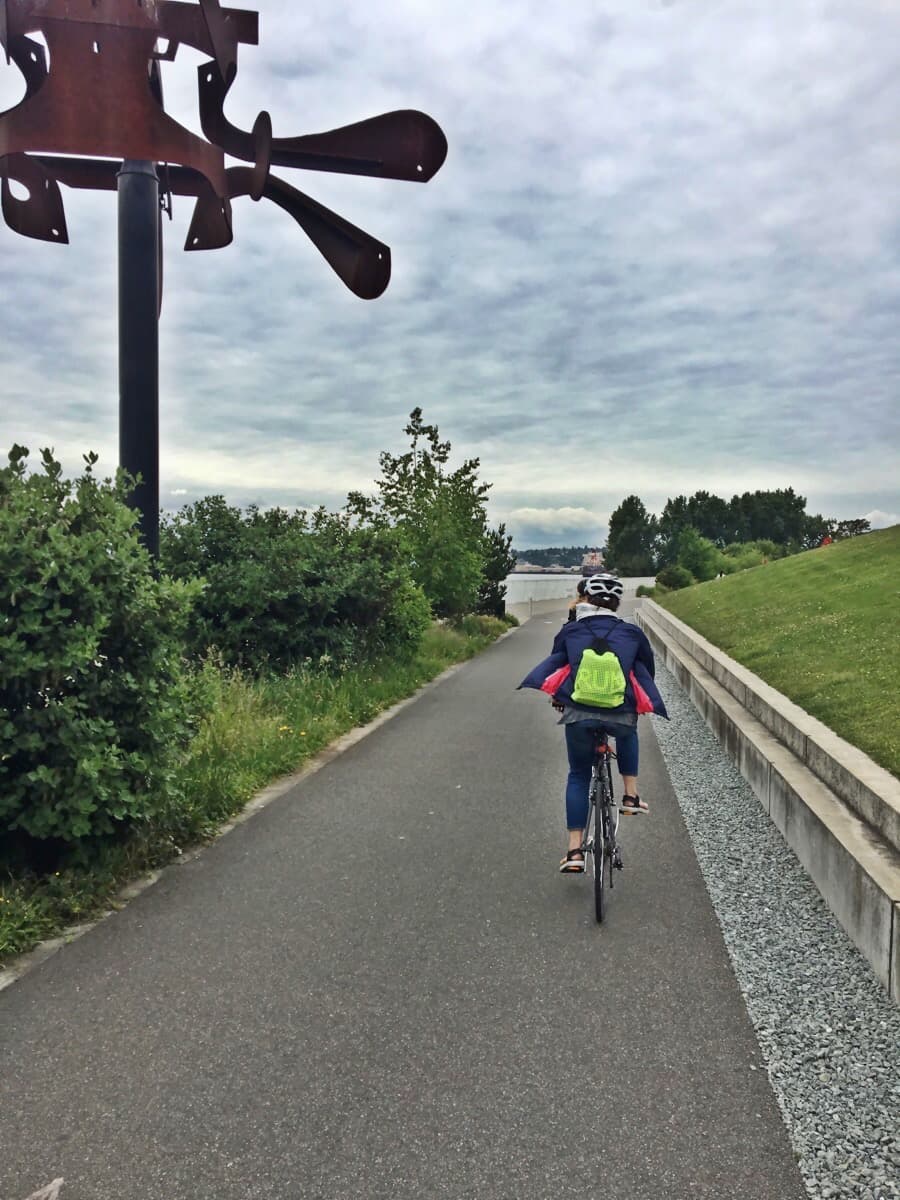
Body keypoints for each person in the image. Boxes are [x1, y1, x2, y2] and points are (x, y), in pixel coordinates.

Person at [518, 573, 668, 873]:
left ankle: (574, 852)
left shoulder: (571, 631)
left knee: (578, 774)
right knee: (628, 729)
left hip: (578, 714)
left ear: (586, 598)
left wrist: (559, 698)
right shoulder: (631, 633)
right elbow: (646, 670)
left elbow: (558, 666)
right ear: (616, 602)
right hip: (619, 711)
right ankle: (630, 795)